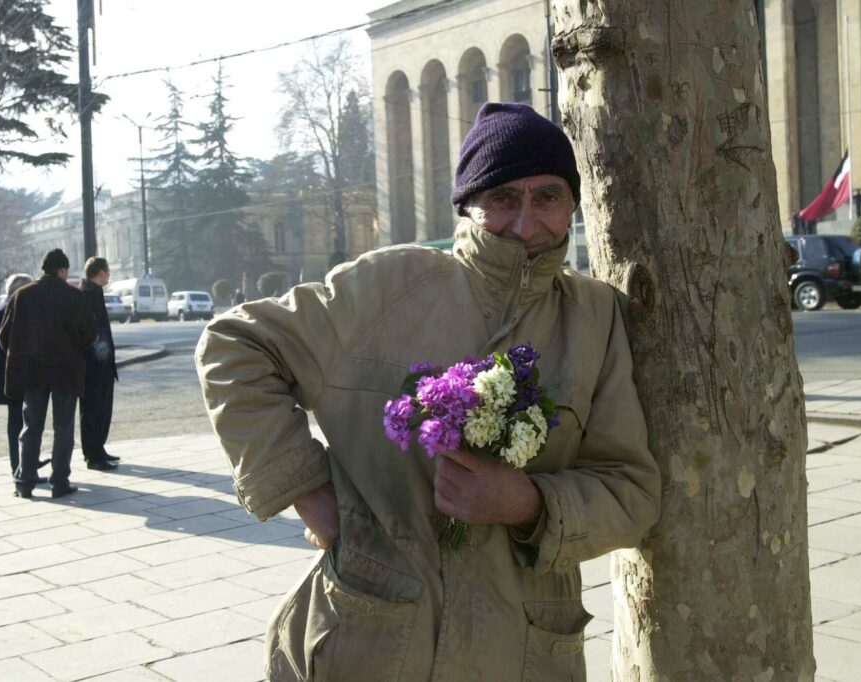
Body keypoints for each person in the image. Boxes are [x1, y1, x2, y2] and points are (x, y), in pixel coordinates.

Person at [197, 102, 662, 681]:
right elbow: (234, 345)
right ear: (468, 206)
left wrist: (528, 504)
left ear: (572, 205)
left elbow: (631, 492)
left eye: (547, 196)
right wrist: (305, 489)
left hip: (522, 655)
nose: (525, 222)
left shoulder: (596, 319)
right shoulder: (389, 286)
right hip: (369, 639)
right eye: (502, 198)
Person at [0, 249, 96, 499]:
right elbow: (90, 334)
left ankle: (25, 480)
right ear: (62, 270)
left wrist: (21, 354)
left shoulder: (21, 296)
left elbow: (3, 336)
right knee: (63, 427)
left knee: (31, 426)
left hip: (32, 372)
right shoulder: (74, 297)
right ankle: (60, 480)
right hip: (66, 370)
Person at [0, 273, 40, 480]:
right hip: (12, 380)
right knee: (17, 424)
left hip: (13, 378)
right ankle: (19, 467)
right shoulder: (6, 312)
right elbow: (7, 348)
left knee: (21, 423)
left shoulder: (10, 309)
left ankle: (25, 464)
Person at [79, 257, 120, 471]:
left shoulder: (95, 293)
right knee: (93, 410)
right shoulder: (86, 295)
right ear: (100, 273)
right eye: (108, 271)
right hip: (93, 365)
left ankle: (99, 449)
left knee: (103, 409)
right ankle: (93, 455)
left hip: (103, 363)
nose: (109, 275)